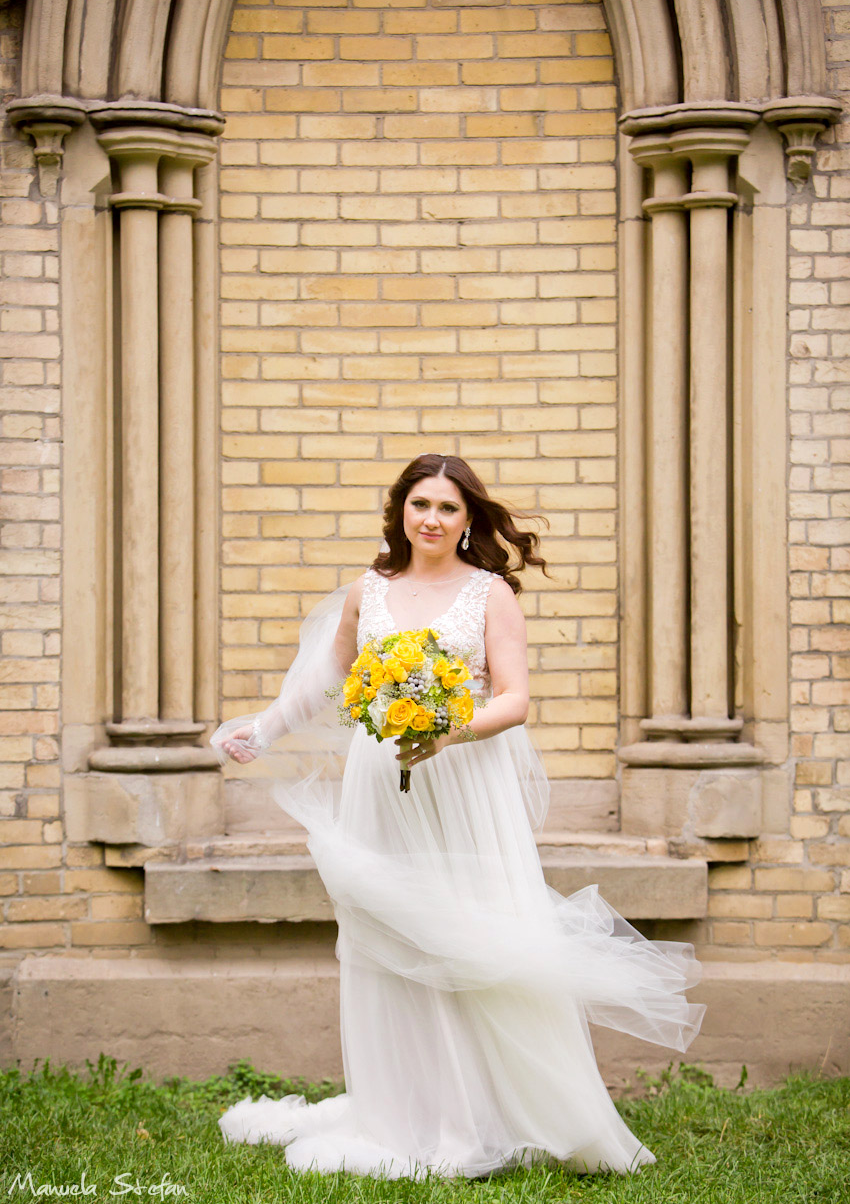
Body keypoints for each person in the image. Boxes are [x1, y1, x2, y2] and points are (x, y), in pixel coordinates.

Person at [212, 453, 704, 1179]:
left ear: (469, 517)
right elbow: (329, 678)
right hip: (381, 783)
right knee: (389, 937)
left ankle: (486, 1113)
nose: (431, 519)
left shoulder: (490, 595)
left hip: (464, 787)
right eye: (420, 504)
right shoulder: (368, 591)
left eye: (447, 507)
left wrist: (448, 729)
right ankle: (398, 1111)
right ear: (400, 511)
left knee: (471, 939)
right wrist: (263, 728)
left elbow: (514, 698)